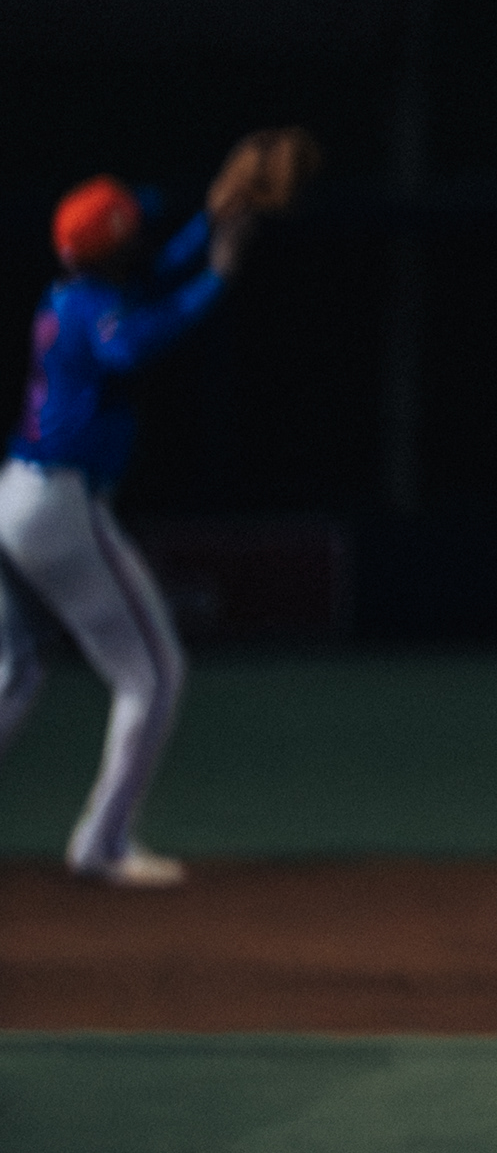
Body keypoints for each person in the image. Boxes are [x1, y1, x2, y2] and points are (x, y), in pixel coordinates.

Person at [0, 131, 315, 887]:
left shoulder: (76, 291)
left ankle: (102, 840)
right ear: (108, 247)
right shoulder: (95, 313)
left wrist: (210, 220)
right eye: (130, 227)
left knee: (14, 672)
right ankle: (103, 844)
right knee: (154, 674)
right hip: (60, 505)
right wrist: (218, 279)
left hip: (17, 494)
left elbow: (147, 281)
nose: (141, 232)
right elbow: (133, 347)